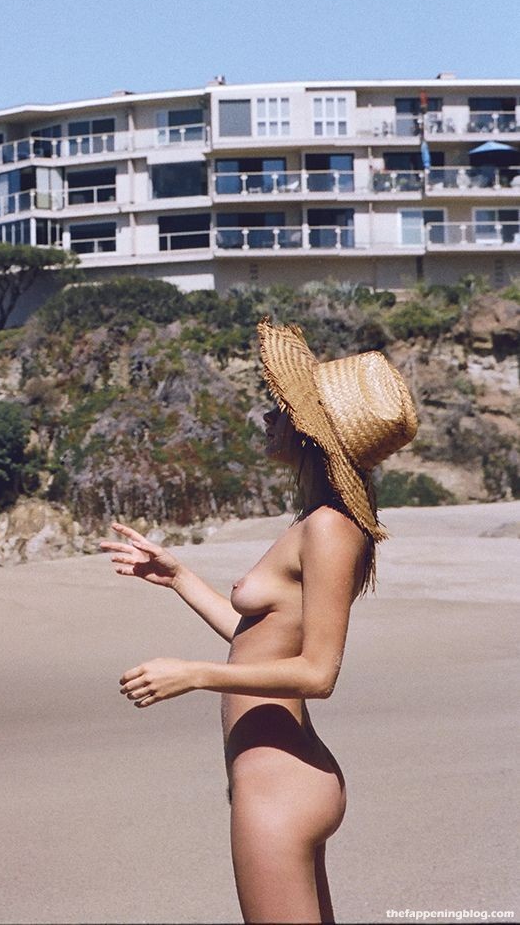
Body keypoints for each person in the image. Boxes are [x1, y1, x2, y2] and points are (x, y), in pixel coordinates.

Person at [101, 319, 418, 925]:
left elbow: (318, 673)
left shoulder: (330, 528)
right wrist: (178, 577)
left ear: (312, 433)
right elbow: (259, 644)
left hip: (280, 786)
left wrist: (193, 675)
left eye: (283, 411)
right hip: (278, 776)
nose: (268, 418)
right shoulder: (316, 521)